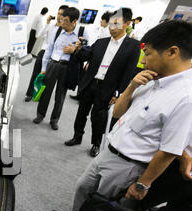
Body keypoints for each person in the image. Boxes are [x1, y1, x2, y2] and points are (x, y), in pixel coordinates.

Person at [51, 20, 192, 211]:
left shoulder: (185, 96)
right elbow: (117, 114)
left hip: (129, 163)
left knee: (101, 202)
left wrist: (143, 184)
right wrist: (130, 86)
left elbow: (170, 150)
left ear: (172, 52)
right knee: (84, 187)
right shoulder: (153, 78)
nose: (144, 57)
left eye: (148, 52)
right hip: (110, 149)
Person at [64, 8, 140, 157]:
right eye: (111, 23)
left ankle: (96, 144)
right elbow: (87, 55)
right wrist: (77, 50)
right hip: (91, 83)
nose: (112, 27)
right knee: (81, 113)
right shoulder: (101, 42)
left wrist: (119, 93)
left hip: (108, 88)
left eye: (116, 23)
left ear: (127, 24)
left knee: (98, 118)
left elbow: (128, 73)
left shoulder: (133, 46)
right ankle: (77, 136)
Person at [33, 7, 90, 130]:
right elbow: (49, 50)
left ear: (74, 21)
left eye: (65, 21)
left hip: (67, 67)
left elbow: (87, 52)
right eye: (62, 20)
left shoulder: (82, 32)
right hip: (53, 64)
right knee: (46, 92)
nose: (62, 23)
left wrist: (75, 50)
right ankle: (40, 115)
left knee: (60, 95)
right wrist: (44, 68)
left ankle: (54, 120)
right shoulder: (57, 31)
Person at [24, 5, 69, 102]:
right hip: (44, 51)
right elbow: (39, 35)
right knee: (35, 74)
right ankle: (29, 93)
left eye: (62, 15)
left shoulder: (65, 30)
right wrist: (47, 24)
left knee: (47, 78)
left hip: (54, 57)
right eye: (58, 13)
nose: (59, 16)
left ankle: (40, 95)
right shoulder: (51, 25)